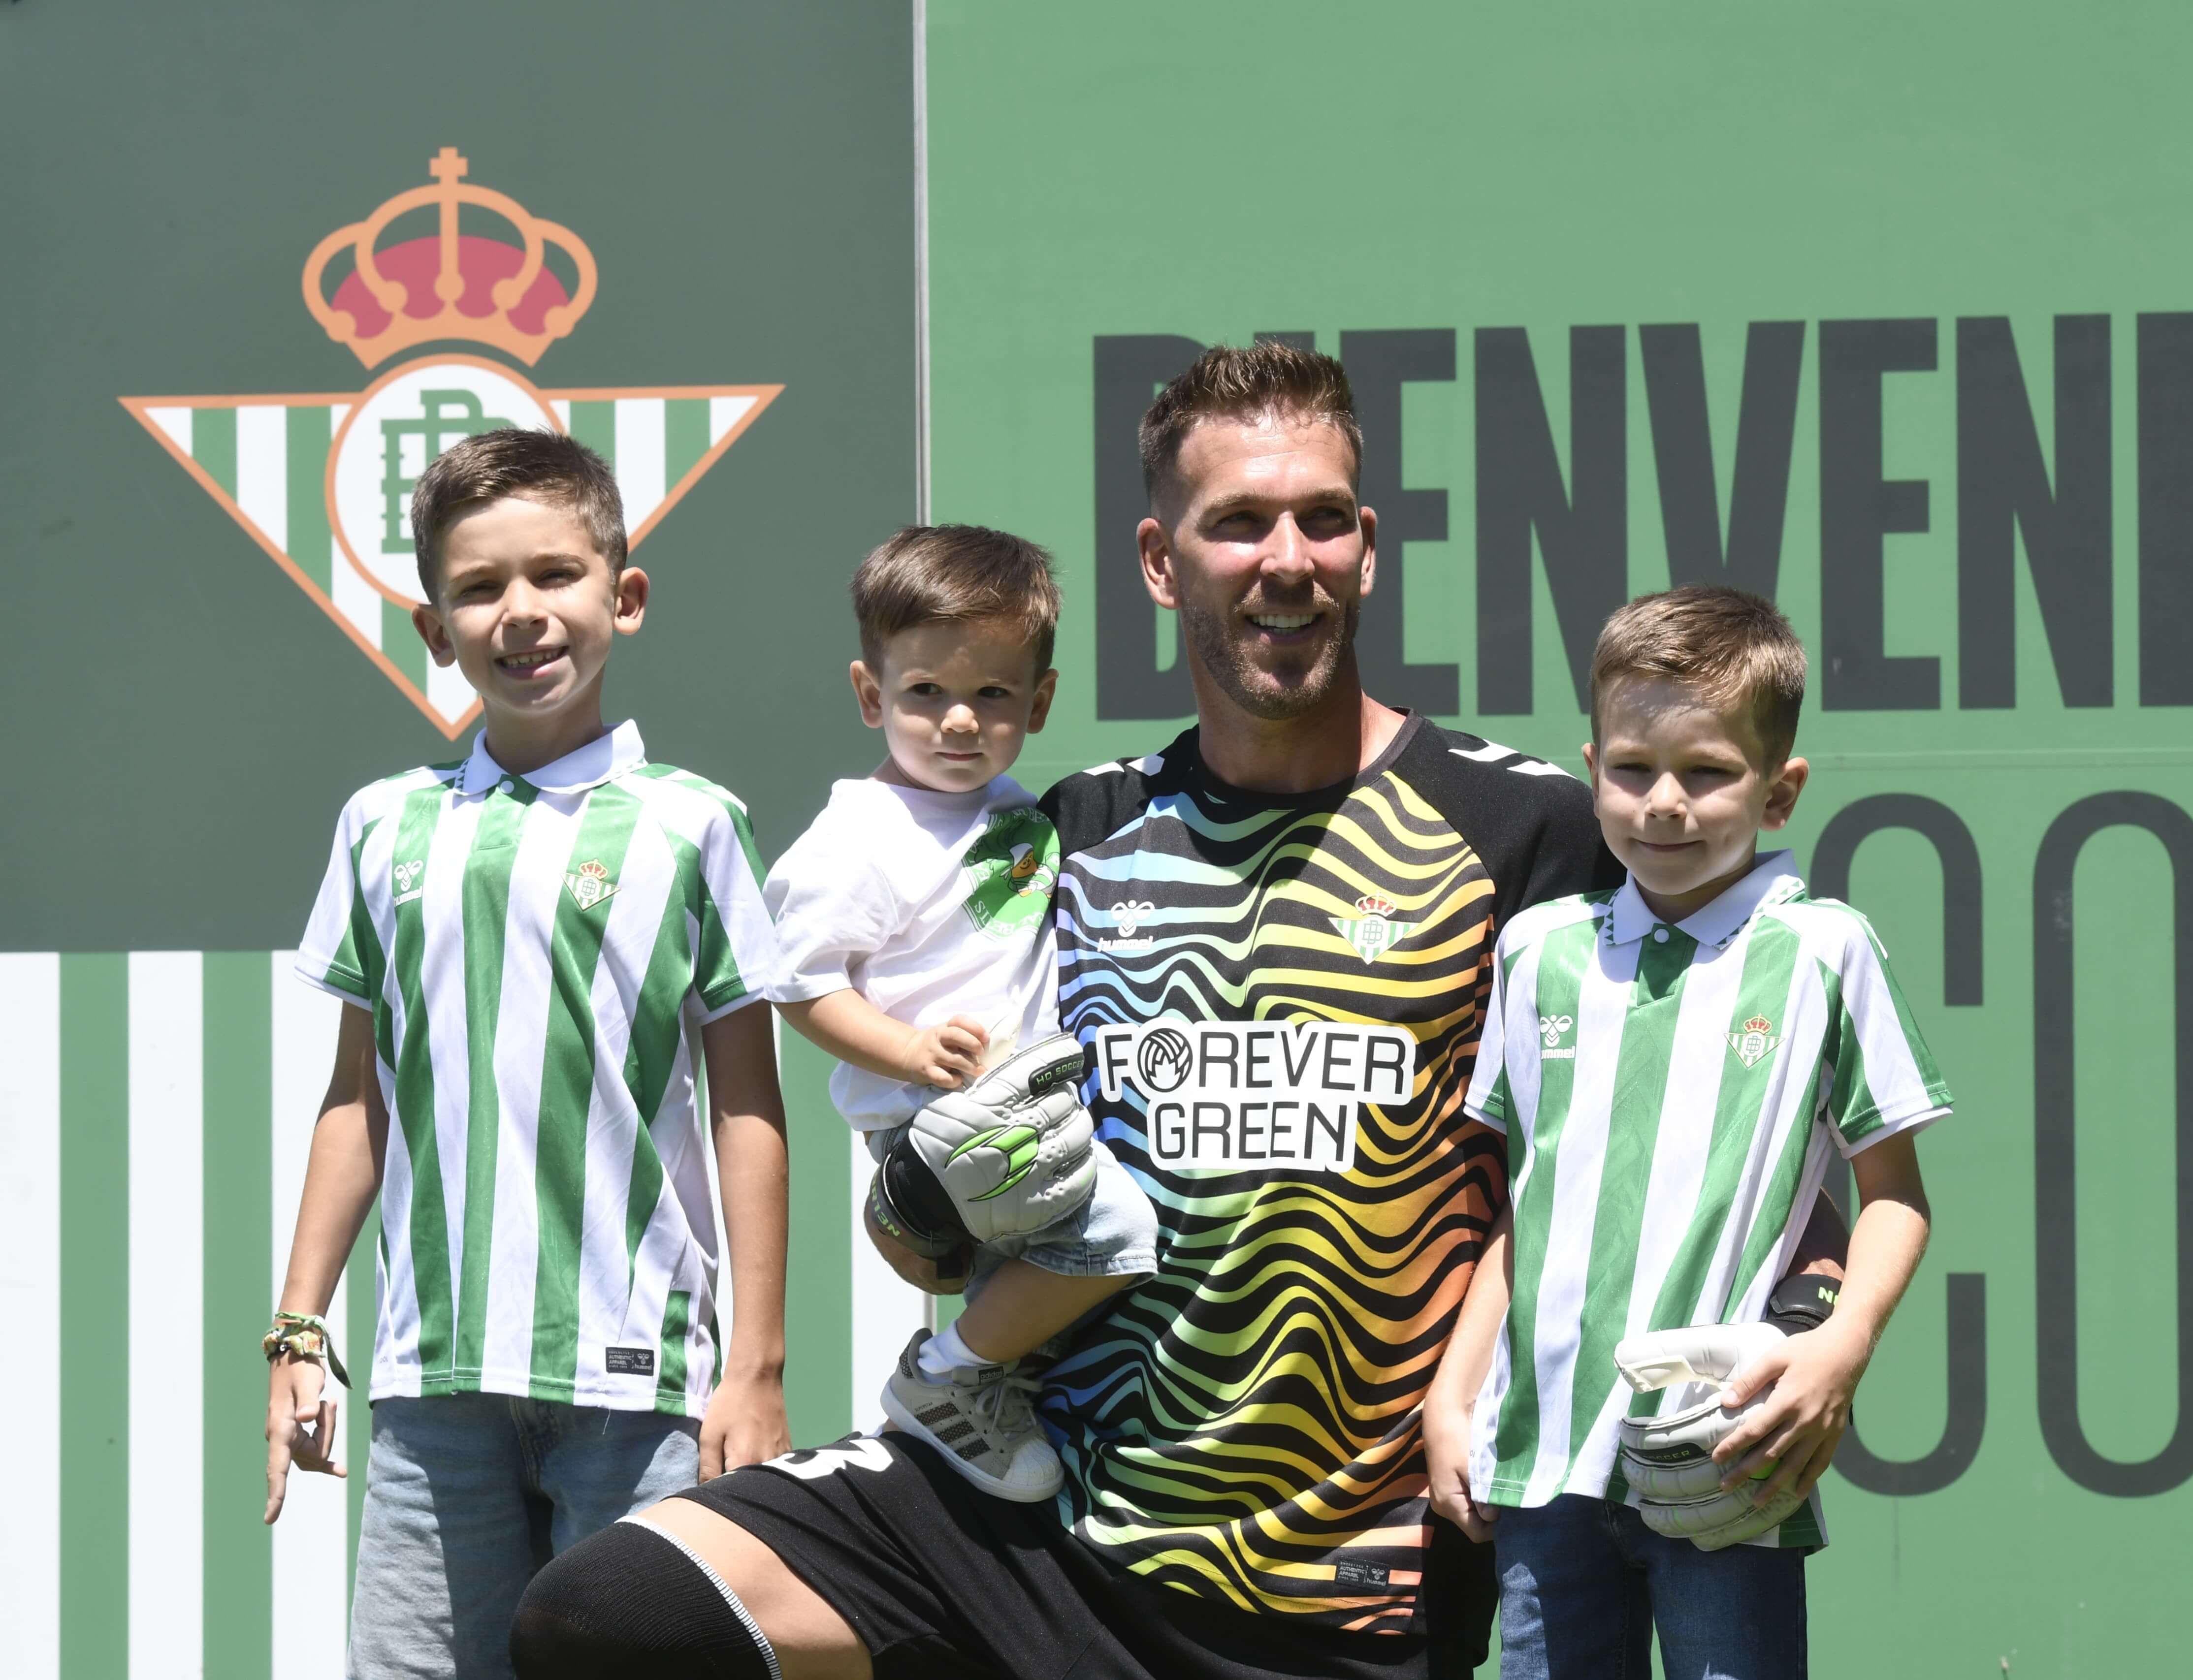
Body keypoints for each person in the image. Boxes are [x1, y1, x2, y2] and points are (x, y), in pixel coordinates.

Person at [510, 341, 1636, 1680]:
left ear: (1369, 547)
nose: (1288, 556)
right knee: (610, 1612)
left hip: (1341, 1584)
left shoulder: (1533, 830)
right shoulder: (1071, 834)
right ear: (1162, 563)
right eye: (1239, 522)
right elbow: (933, 1234)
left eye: (1323, 517)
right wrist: (925, 1191)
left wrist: (1500, 1382)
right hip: (1033, 1525)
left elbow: (1622, 1162)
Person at [265, 427, 794, 1678]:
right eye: (479, 588)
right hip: (431, 1386)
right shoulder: (381, 826)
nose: (523, 613)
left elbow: (749, 1109)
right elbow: (359, 1099)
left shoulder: (693, 824)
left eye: (556, 575)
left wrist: (756, 1369)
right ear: (433, 628)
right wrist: (296, 1332)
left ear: (627, 594)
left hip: (642, 1387)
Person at [1421, 586, 1944, 1680]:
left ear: (1779, 789)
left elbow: (1894, 1197)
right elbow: (1529, 1215)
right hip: (1542, 1468)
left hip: (1726, 1462)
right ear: (1592, 767)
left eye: (1707, 773)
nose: (1664, 803)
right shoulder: (1538, 951)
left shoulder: (1821, 951)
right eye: (1631, 769)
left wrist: (1836, 1356)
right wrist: (1452, 1398)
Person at [757, 524, 1159, 1501]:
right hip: (934, 1122)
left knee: (1036, 1279)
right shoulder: (853, 838)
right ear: (870, 695)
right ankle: (942, 1382)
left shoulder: (1019, 812)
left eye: (992, 696)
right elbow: (802, 987)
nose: (959, 722)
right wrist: (907, 1050)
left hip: (1021, 1106)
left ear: (1041, 701)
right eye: (925, 694)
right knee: (1116, 1234)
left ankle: (985, 1386)